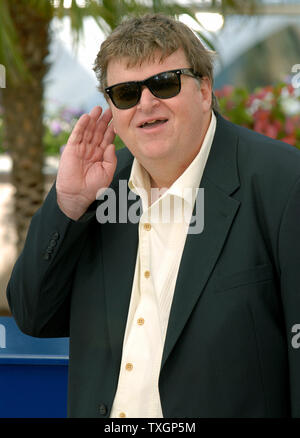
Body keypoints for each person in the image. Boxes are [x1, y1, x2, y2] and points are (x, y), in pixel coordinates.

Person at [6, 13, 300, 418]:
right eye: (126, 93)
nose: (146, 103)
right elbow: (33, 316)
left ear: (204, 89)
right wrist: (68, 205)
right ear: (111, 107)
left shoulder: (283, 181)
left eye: (165, 83)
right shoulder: (98, 190)